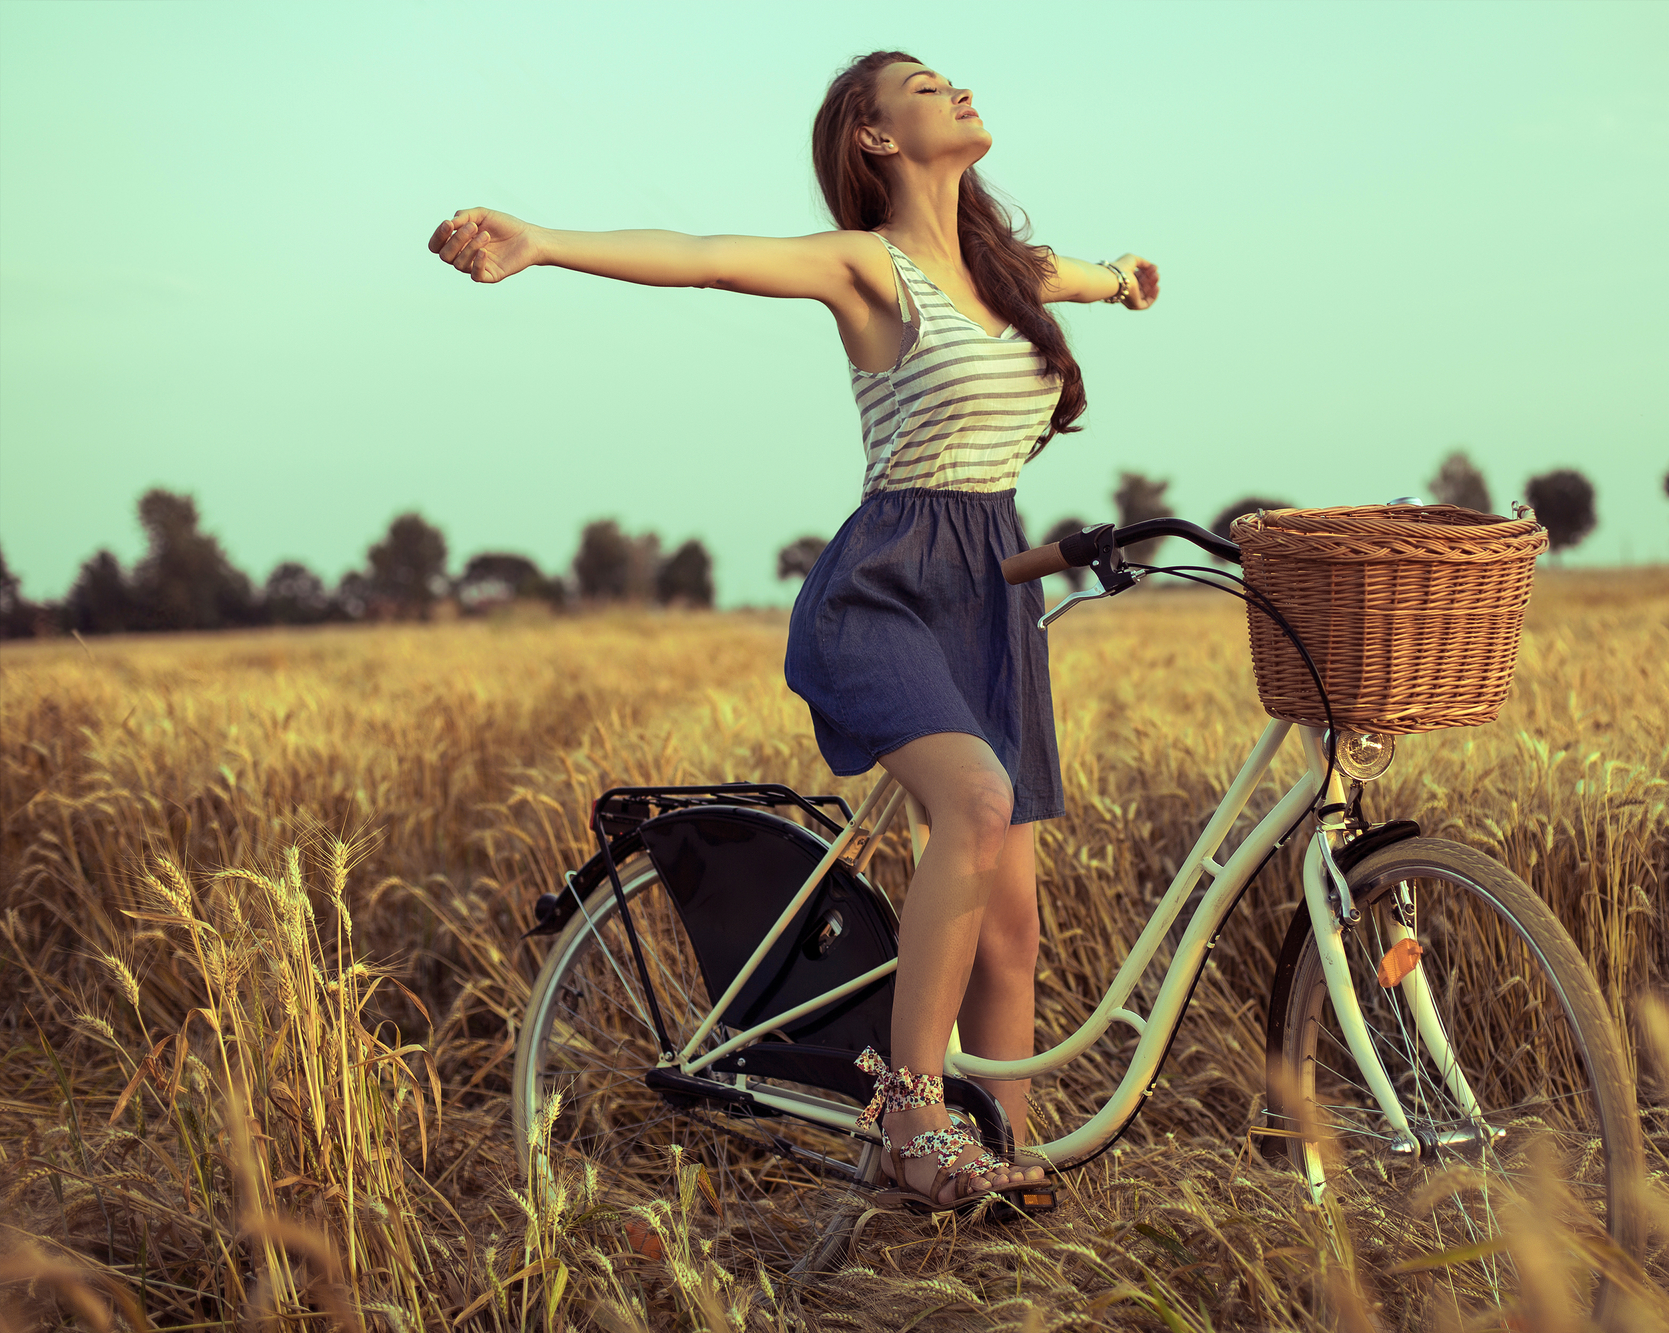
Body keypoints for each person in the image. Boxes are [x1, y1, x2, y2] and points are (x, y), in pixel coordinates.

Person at [429, 49, 1158, 1214]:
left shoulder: (1005, 270)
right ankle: (910, 1108)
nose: (957, 88)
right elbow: (709, 260)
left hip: (995, 589)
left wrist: (1122, 279)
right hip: (886, 588)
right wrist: (543, 241)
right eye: (924, 87)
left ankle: (990, 1174)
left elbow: (1070, 274)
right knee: (971, 804)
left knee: (1011, 925)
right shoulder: (868, 266)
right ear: (874, 139)